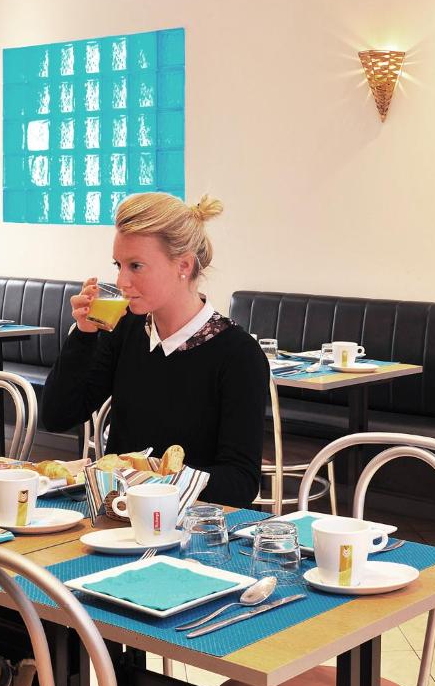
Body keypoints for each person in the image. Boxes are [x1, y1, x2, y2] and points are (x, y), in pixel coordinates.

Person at [42, 192, 269, 508]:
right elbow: (56, 416)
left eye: (136, 266)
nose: (121, 281)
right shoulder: (125, 330)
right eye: (119, 265)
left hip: (194, 525)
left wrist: (151, 480)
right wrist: (84, 334)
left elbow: (240, 483)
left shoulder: (239, 355)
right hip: (119, 517)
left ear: (184, 265)